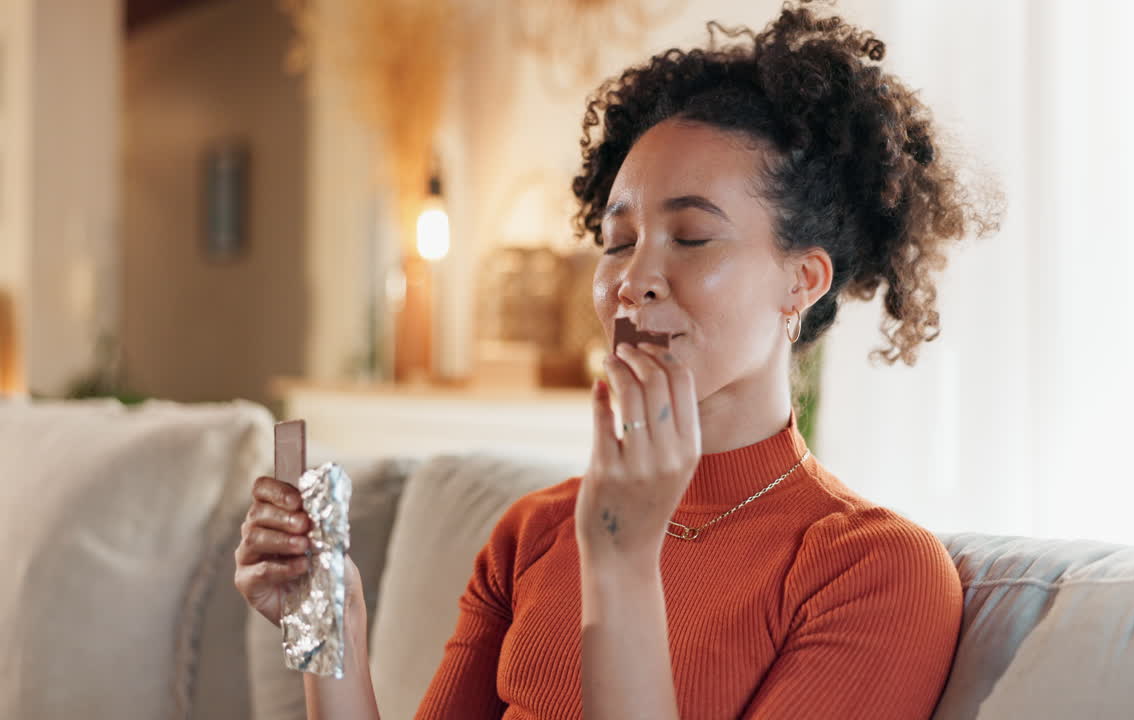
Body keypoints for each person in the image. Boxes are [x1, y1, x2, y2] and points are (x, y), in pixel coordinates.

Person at [235, 1, 1002, 717]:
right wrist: (326, 625)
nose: (634, 280)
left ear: (801, 281)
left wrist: (623, 559)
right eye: (619, 242)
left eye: (692, 237)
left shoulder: (873, 572)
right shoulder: (532, 532)